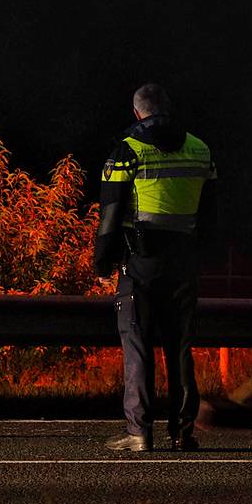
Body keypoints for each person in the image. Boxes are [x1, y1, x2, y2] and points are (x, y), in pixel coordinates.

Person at [94, 83, 216, 452]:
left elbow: (111, 212)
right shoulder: (200, 149)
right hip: (184, 260)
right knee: (180, 347)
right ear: (168, 107)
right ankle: (183, 432)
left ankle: (139, 432)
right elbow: (212, 211)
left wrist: (103, 260)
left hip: (141, 260)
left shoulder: (127, 151)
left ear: (137, 112)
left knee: (137, 344)